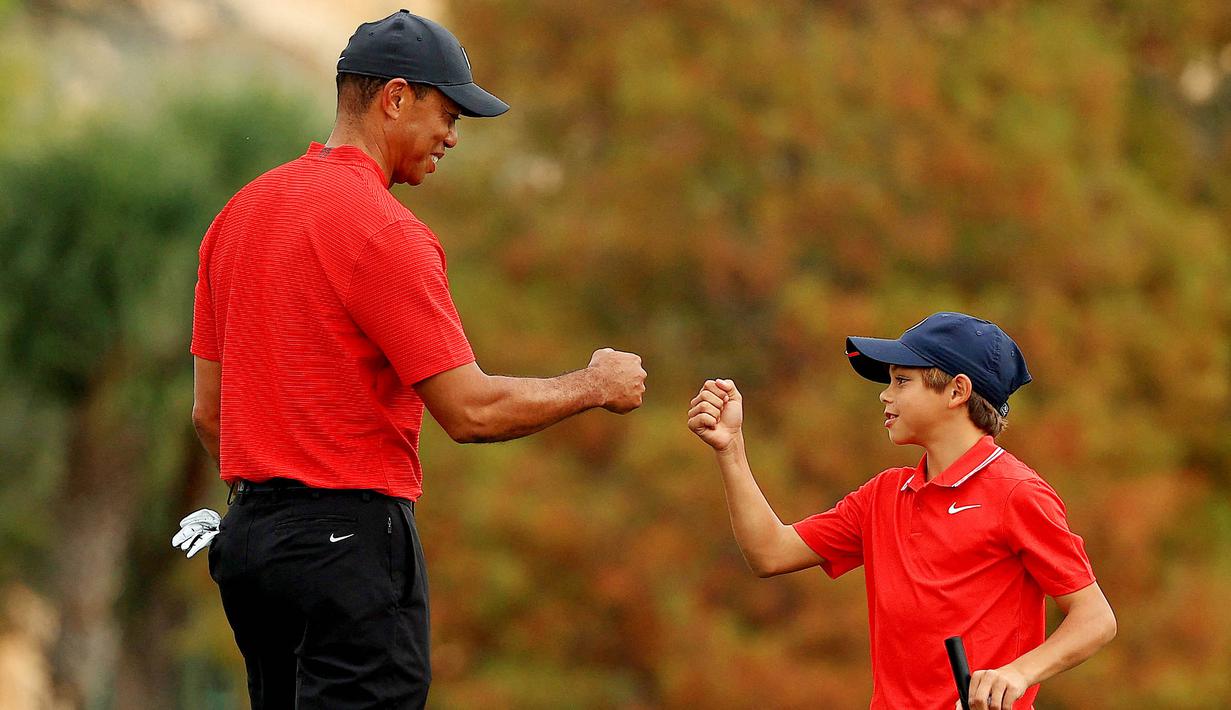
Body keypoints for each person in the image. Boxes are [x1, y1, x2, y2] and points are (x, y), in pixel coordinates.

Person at [185, 11, 646, 709]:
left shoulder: (239, 215)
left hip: (251, 547)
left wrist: (276, 509)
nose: (453, 137)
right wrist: (594, 384)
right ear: (394, 98)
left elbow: (208, 414)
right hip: (346, 543)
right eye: (448, 114)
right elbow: (470, 411)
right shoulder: (384, 231)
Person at [687, 312, 1116, 710]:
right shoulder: (883, 495)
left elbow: (1095, 618)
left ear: (957, 391)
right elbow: (770, 553)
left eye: (901, 381)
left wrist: (1018, 673)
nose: (884, 395)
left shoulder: (1017, 493)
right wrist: (731, 448)